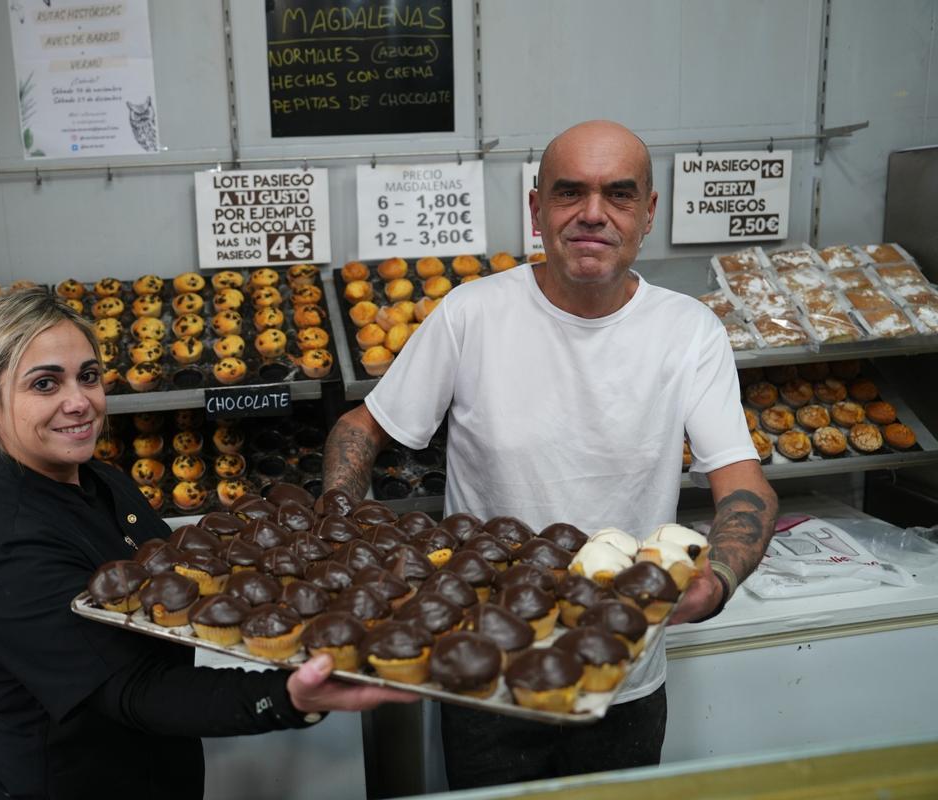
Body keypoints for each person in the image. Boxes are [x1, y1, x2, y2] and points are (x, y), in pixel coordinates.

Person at [322, 120, 779, 788]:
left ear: (648, 212)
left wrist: (718, 582)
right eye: (570, 192)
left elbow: (745, 488)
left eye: (618, 194)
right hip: (486, 670)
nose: (593, 213)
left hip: (620, 675)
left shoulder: (688, 332)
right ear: (537, 209)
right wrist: (335, 524)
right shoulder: (472, 314)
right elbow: (362, 428)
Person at [0, 289, 413, 800]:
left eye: (88, 376)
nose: (78, 401)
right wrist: (287, 696)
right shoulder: (4, 552)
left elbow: (180, 581)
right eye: (44, 383)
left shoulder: (101, 481)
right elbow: (136, 688)